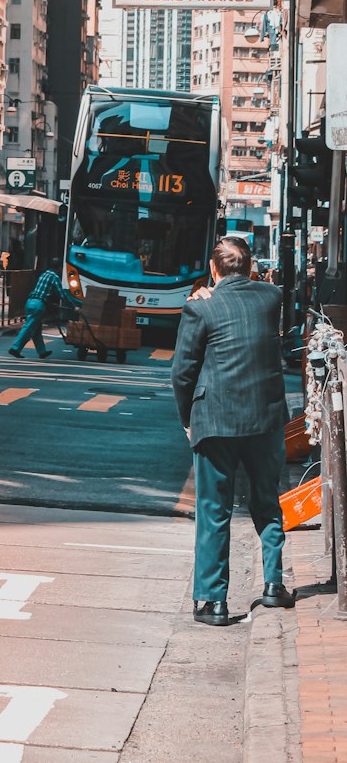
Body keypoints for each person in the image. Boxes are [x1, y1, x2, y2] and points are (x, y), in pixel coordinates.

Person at [172, 236, 294, 626]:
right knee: (266, 499)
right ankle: (274, 584)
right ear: (252, 266)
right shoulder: (271, 298)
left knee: (213, 510)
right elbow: (253, 300)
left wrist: (186, 417)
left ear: (213, 269)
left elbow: (182, 372)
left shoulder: (199, 308)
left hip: (216, 419)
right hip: (265, 417)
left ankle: (212, 602)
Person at [8, 259, 79, 359]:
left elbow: (43, 291)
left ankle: (42, 351)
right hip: (38, 305)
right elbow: (62, 295)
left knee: (36, 329)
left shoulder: (44, 274)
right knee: (29, 327)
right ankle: (15, 348)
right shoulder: (55, 277)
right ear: (58, 268)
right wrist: (73, 306)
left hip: (30, 302)